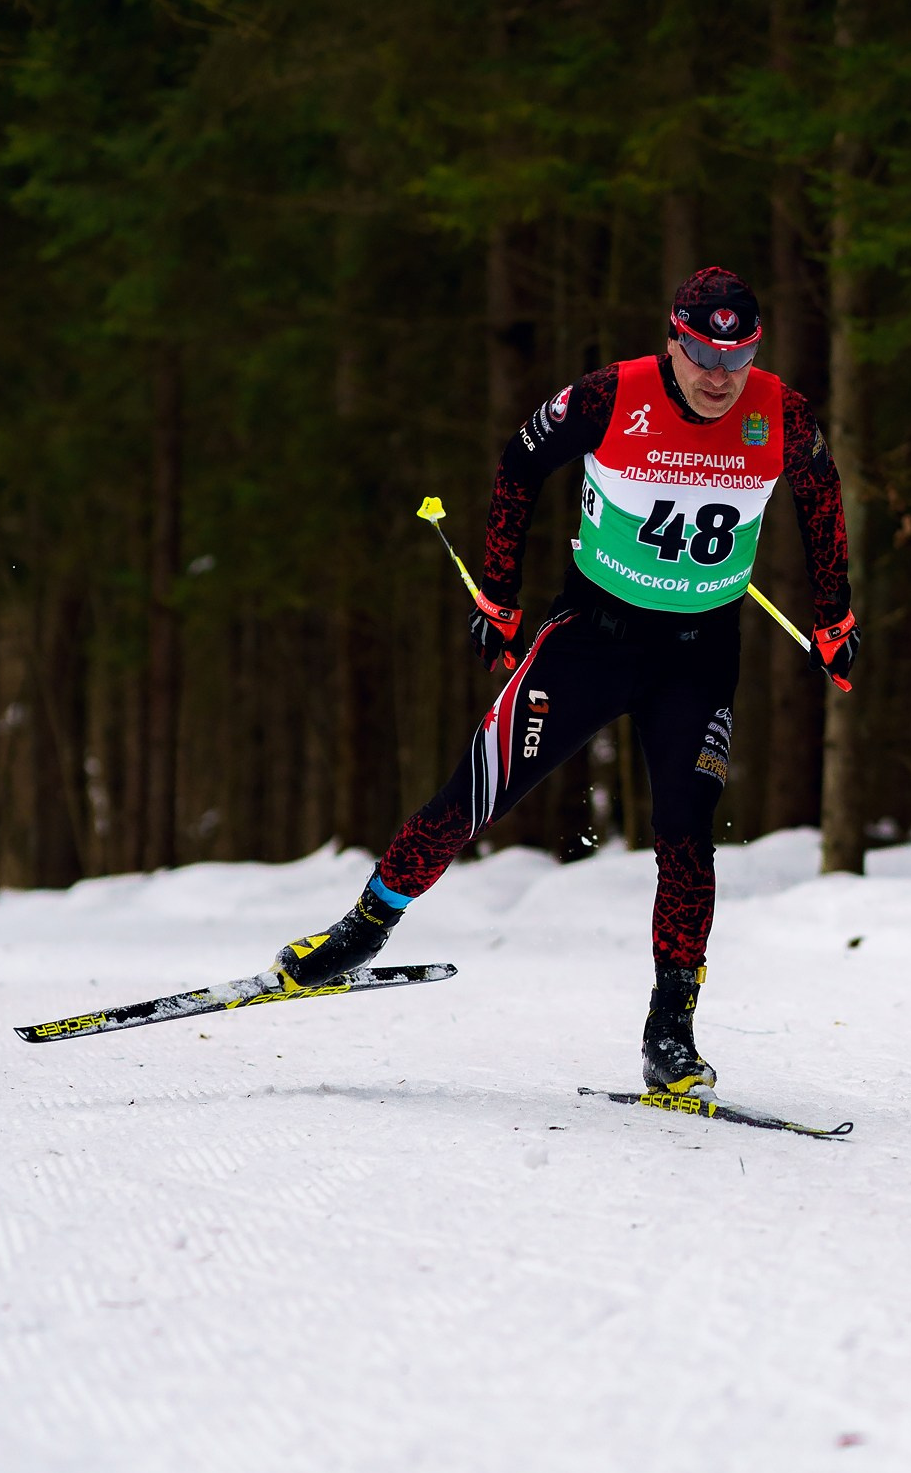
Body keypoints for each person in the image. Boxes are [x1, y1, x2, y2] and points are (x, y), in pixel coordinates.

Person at [272, 265, 858, 1092]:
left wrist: (836, 617)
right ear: (673, 338)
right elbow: (519, 464)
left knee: (688, 838)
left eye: (738, 354)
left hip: (699, 651)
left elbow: (822, 495)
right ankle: (362, 929)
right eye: (702, 352)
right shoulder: (608, 396)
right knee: (475, 790)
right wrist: (499, 596)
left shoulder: (782, 411)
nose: (720, 375)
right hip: (594, 637)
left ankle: (670, 1036)